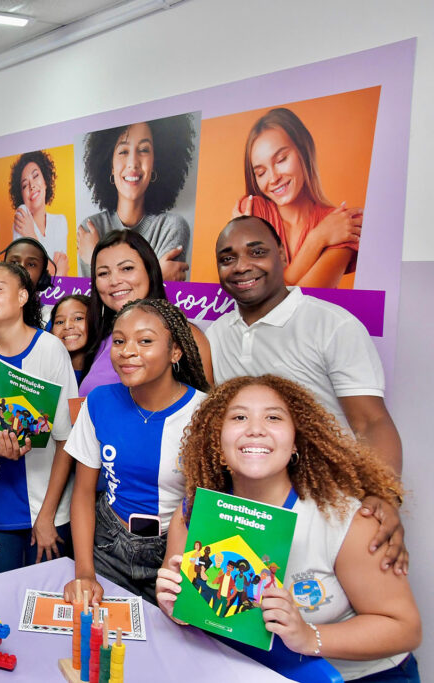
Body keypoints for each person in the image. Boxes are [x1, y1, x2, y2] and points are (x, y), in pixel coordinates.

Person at [156, 375, 420, 681]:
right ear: (217, 439)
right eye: (239, 417)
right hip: (250, 669)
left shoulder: (346, 518)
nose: (255, 428)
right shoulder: (193, 513)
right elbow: (188, 611)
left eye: (273, 417)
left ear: (295, 440)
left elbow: (404, 628)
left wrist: (310, 637)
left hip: (360, 676)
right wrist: (176, 608)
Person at [208, 216, 406, 571]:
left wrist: (383, 496)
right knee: (247, 614)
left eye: (257, 252)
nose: (242, 266)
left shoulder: (332, 325)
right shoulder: (216, 335)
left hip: (329, 510)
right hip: (252, 511)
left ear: (282, 254)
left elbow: (372, 421)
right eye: (228, 258)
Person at [63, 298, 209, 603]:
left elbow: (202, 506)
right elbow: (83, 492)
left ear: (175, 351)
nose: (127, 351)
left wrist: (176, 569)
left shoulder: (206, 414)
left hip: (176, 552)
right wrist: (85, 573)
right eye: (119, 341)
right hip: (108, 546)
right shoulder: (99, 402)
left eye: (145, 341)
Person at [0, 262, 78, 573]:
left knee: (48, 601)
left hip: (49, 508)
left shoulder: (51, 350)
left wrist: (47, 516)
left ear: (22, 297)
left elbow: (66, 441)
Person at [234, 107, 360, 288]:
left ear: (303, 151)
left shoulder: (343, 223)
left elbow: (307, 300)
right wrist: (318, 238)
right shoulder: (253, 209)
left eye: (281, 159)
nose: (273, 178)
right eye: (261, 172)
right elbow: (258, 294)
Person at [79, 230, 212, 397]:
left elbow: (204, 411)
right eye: (103, 273)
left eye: (126, 268)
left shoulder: (185, 335)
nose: (114, 281)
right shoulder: (99, 336)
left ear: (150, 271)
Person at [79, 114, 195, 281]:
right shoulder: (91, 228)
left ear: (156, 161)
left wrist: (96, 260)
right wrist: (156, 276)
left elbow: (159, 304)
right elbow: (92, 303)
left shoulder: (172, 227)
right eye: (123, 151)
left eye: (144, 150)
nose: (133, 162)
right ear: (110, 166)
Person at [9, 150, 69, 276]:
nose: (31, 186)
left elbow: (60, 276)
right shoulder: (22, 217)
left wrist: (31, 235)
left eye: (35, 176)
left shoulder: (60, 221)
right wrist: (54, 269)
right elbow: (30, 275)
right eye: (25, 185)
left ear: (46, 182)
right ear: (21, 196)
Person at [50, 294, 91, 386]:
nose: (67, 326)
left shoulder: (107, 375)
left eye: (78, 318)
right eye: (60, 322)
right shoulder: (45, 371)